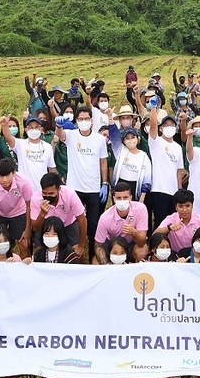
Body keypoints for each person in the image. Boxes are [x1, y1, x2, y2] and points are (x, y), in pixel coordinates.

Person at [56, 106, 109, 258]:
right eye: (81, 119)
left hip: (93, 188)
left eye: (86, 119)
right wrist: (58, 125)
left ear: (92, 121)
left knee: (93, 225)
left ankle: (93, 257)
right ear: (77, 121)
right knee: (72, 223)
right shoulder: (71, 135)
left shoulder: (99, 139)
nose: (84, 122)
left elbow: (103, 162)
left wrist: (104, 183)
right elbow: (60, 135)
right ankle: (70, 256)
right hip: (74, 188)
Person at [29, 172, 88, 258]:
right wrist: (42, 214)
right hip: (46, 226)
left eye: (51, 194)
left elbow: (82, 219)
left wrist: (81, 246)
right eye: (45, 193)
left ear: (59, 189)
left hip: (68, 224)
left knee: (77, 253)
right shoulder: (35, 198)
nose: (48, 196)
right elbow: (35, 228)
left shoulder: (69, 194)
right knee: (39, 252)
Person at [146, 109, 186, 229]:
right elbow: (152, 126)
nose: (169, 127)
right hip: (159, 190)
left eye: (172, 125)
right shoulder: (156, 142)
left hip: (173, 192)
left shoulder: (178, 147)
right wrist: (153, 109)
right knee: (160, 223)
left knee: (172, 224)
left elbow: (179, 170)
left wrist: (179, 190)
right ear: (161, 128)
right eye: (166, 125)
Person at [93, 181, 149, 263]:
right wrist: (105, 263)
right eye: (119, 198)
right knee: (95, 261)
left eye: (125, 197)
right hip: (112, 246)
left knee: (142, 251)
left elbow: (142, 242)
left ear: (130, 198)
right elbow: (98, 245)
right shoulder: (105, 217)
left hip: (131, 244)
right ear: (114, 198)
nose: (122, 201)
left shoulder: (141, 209)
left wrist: (134, 232)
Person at [7, 114, 57, 189]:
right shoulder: (20, 144)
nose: (34, 130)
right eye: (31, 127)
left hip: (41, 190)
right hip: (23, 189)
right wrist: (4, 125)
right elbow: (8, 138)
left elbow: (52, 169)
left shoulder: (47, 147)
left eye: (36, 127)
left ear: (41, 129)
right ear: (26, 130)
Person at [156, 189, 200, 254]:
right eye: (181, 206)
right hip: (175, 256)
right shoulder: (171, 219)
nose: (184, 210)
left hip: (195, 256)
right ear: (176, 207)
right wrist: (169, 228)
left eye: (187, 206)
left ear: (192, 206)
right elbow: (155, 235)